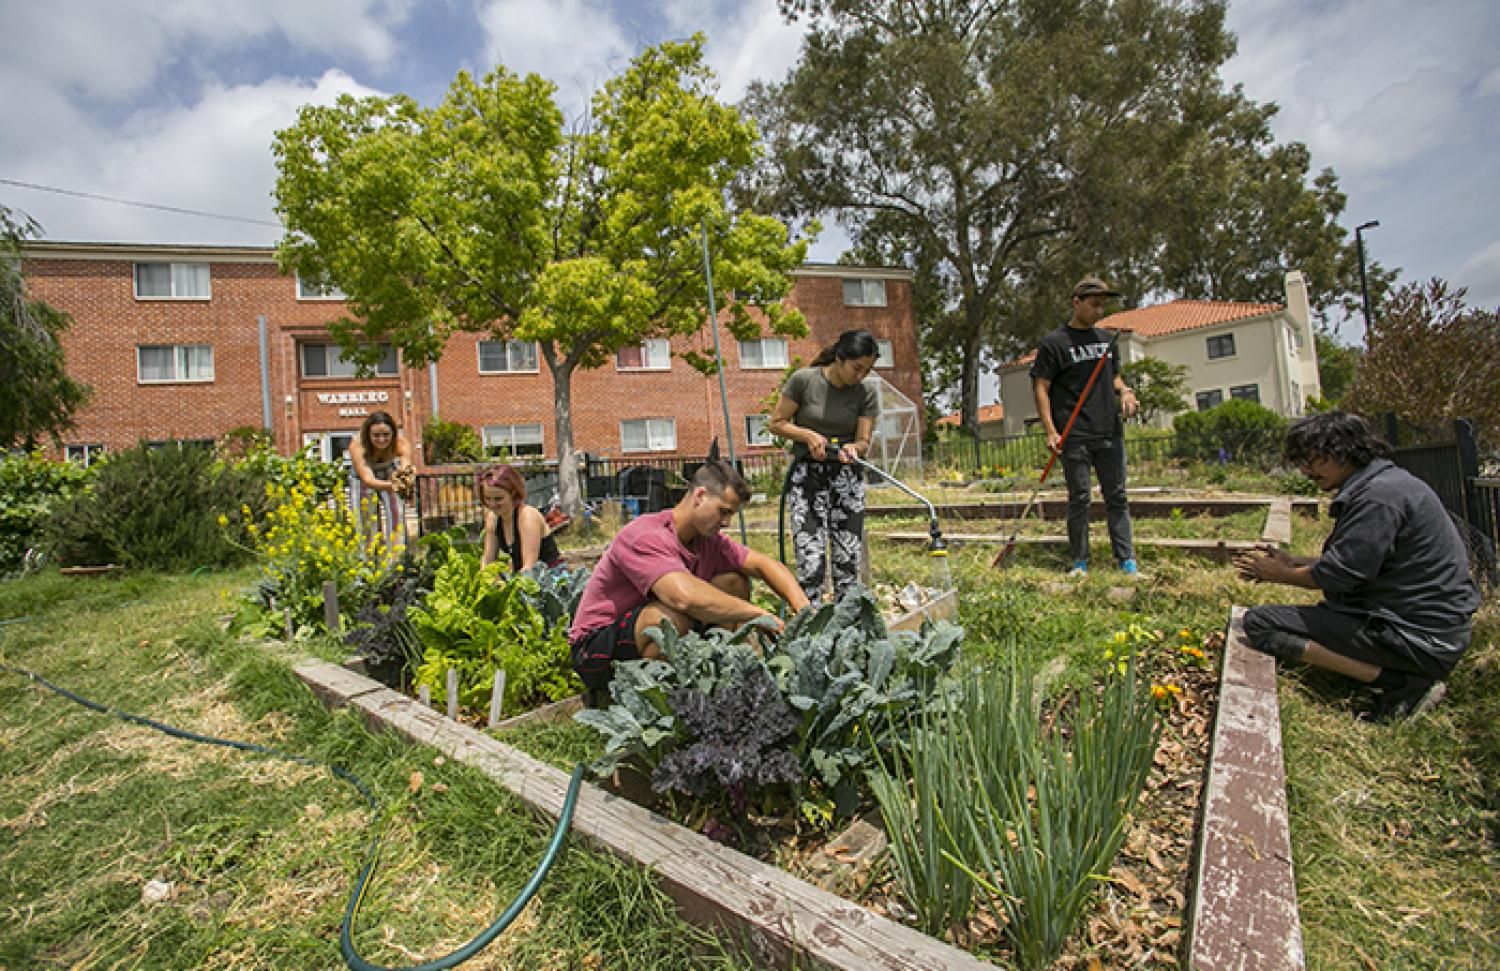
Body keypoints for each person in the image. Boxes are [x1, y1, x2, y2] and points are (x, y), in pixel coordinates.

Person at [1233, 411, 1481, 721]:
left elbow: (1342, 574)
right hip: (1427, 628)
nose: (1305, 470)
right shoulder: (1386, 485)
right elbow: (1363, 562)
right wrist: (1296, 562)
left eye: (1314, 459)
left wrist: (1277, 574)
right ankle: (1388, 669)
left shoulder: (1379, 497)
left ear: (1344, 451)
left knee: (1261, 623)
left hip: (1418, 637)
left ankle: (1402, 683)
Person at [569, 460, 810, 700]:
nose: (727, 523)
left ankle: (713, 682)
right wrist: (756, 614)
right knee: (668, 618)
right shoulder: (644, 535)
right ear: (700, 496)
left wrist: (805, 612)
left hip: (640, 635)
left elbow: (763, 564)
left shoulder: (707, 540)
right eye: (724, 512)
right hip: (594, 651)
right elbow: (683, 597)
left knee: (733, 582)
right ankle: (649, 700)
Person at [1029, 276, 1140, 576]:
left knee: (1116, 496)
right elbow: (1041, 387)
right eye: (1093, 304)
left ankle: (1126, 560)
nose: (1099, 311)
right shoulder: (1055, 343)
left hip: (1109, 431)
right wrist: (1050, 430)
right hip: (1073, 434)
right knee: (1080, 497)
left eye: (1103, 305)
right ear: (1075, 302)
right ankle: (1079, 561)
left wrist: (1125, 391)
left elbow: (1113, 376)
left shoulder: (1107, 341)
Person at [767, 329, 881, 604]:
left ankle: (846, 627)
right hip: (807, 475)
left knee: (847, 559)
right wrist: (807, 436)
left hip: (846, 477)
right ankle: (811, 625)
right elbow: (776, 423)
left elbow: (863, 441)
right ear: (840, 358)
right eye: (857, 368)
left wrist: (855, 448)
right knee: (810, 559)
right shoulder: (804, 381)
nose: (861, 376)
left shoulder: (865, 393)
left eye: (867, 370)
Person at [347, 410, 414, 549]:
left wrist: (406, 477)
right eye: (376, 435)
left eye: (386, 435)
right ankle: (367, 562)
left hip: (389, 472)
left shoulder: (401, 443)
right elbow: (367, 479)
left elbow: (405, 466)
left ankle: (397, 560)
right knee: (365, 523)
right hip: (362, 478)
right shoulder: (358, 445)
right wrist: (394, 486)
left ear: (393, 434)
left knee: (397, 516)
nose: (381, 439)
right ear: (368, 434)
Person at [478, 463, 561, 573]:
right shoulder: (493, 518)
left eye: (498, 499)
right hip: (522, 579)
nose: (492, 504)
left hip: (551, 578)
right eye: (488, 498)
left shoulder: (527, 517)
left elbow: (529, 566)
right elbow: (488, 560)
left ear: (513, 494)